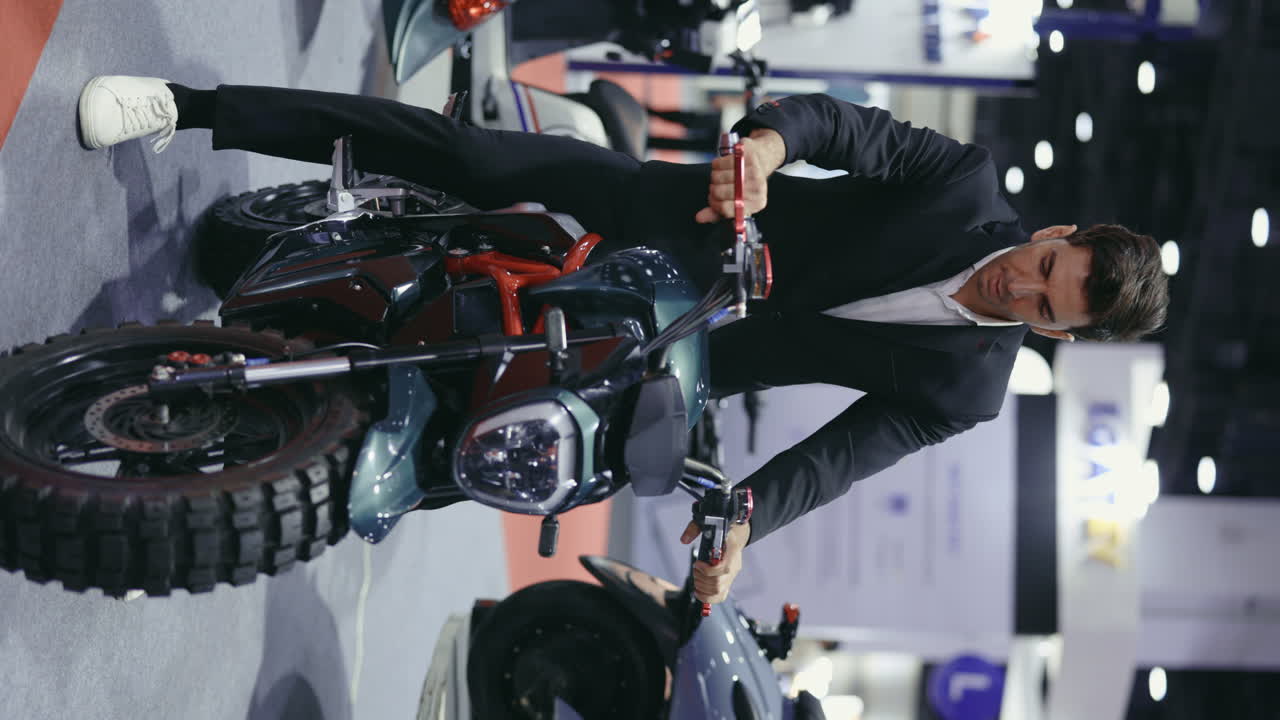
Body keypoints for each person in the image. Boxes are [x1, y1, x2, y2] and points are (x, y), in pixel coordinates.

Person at [76, 75, 1169, 605]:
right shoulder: (962, 183)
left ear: (1052, 336)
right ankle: (193, 105)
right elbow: (842, 128)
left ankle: (233, 484)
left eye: (1041, 308)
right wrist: (768, 150)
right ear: (1054, 233)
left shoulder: (967, 391)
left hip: (677, 354)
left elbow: (839, 460)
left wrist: (741, 525)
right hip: (669, 220)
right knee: (460, 153)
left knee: (504, 461)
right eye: (1041, 266)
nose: (1017, 286)